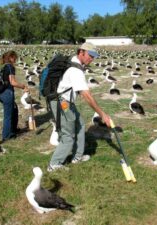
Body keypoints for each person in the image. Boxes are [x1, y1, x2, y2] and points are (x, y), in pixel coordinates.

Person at [47, 42, 111, 172]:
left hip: (66, 101)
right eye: (90, 55)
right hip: (61, 102)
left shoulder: (73, 60)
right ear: (81, 52)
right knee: (68, 135)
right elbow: (87, 95)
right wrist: (102, 114)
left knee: (80, 124)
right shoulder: (75, 70)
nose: (91, 59)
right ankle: (54, 164)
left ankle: (77, 156)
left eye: (94, 56)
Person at [0, 50, 29, 141]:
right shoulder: (10, 67)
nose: (16, 60)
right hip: (7, 93)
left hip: (0, 93)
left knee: (14, 109)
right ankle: (6, 136)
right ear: (11, 57)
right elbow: (13, 82)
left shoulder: (1, 66)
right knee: (8, 115)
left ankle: (13, 129)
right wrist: (23, 86)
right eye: (15, 58)